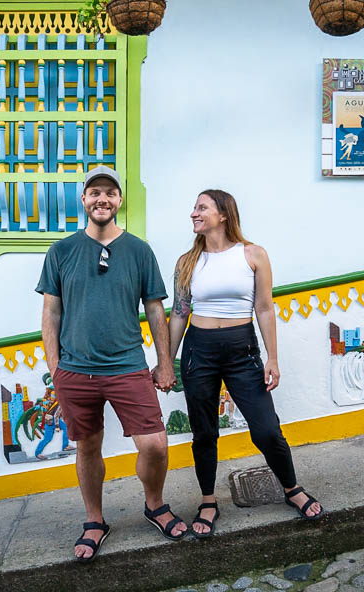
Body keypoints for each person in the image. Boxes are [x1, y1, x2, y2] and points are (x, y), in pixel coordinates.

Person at [37, 165, 187, 561]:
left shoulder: (139, 250)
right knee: (87, 446)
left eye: (109, 192)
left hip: (127, 367)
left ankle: (154, 505)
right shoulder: (62, 250)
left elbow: (155, 310)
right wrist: (56, 370)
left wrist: (165, 363)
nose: (101, 198)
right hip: (76, 371)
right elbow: (51, 313)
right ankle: (94, 520)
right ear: (83, 200)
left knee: (154, 445)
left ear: (120, 200)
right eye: (94, 192)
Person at [163, 189, 323, 537]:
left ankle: (291, 488)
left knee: (266, 429)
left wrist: (273, 358)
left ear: (223, 214)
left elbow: (264, 308)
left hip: (242, 351)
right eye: (194, 207)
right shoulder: (186, 262)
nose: (194, 213)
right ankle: (208, 500)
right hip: (198, 351)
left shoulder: (253, 254)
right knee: (204, 433)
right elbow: (179, 313)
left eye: (201, 207)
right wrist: (165, 361)